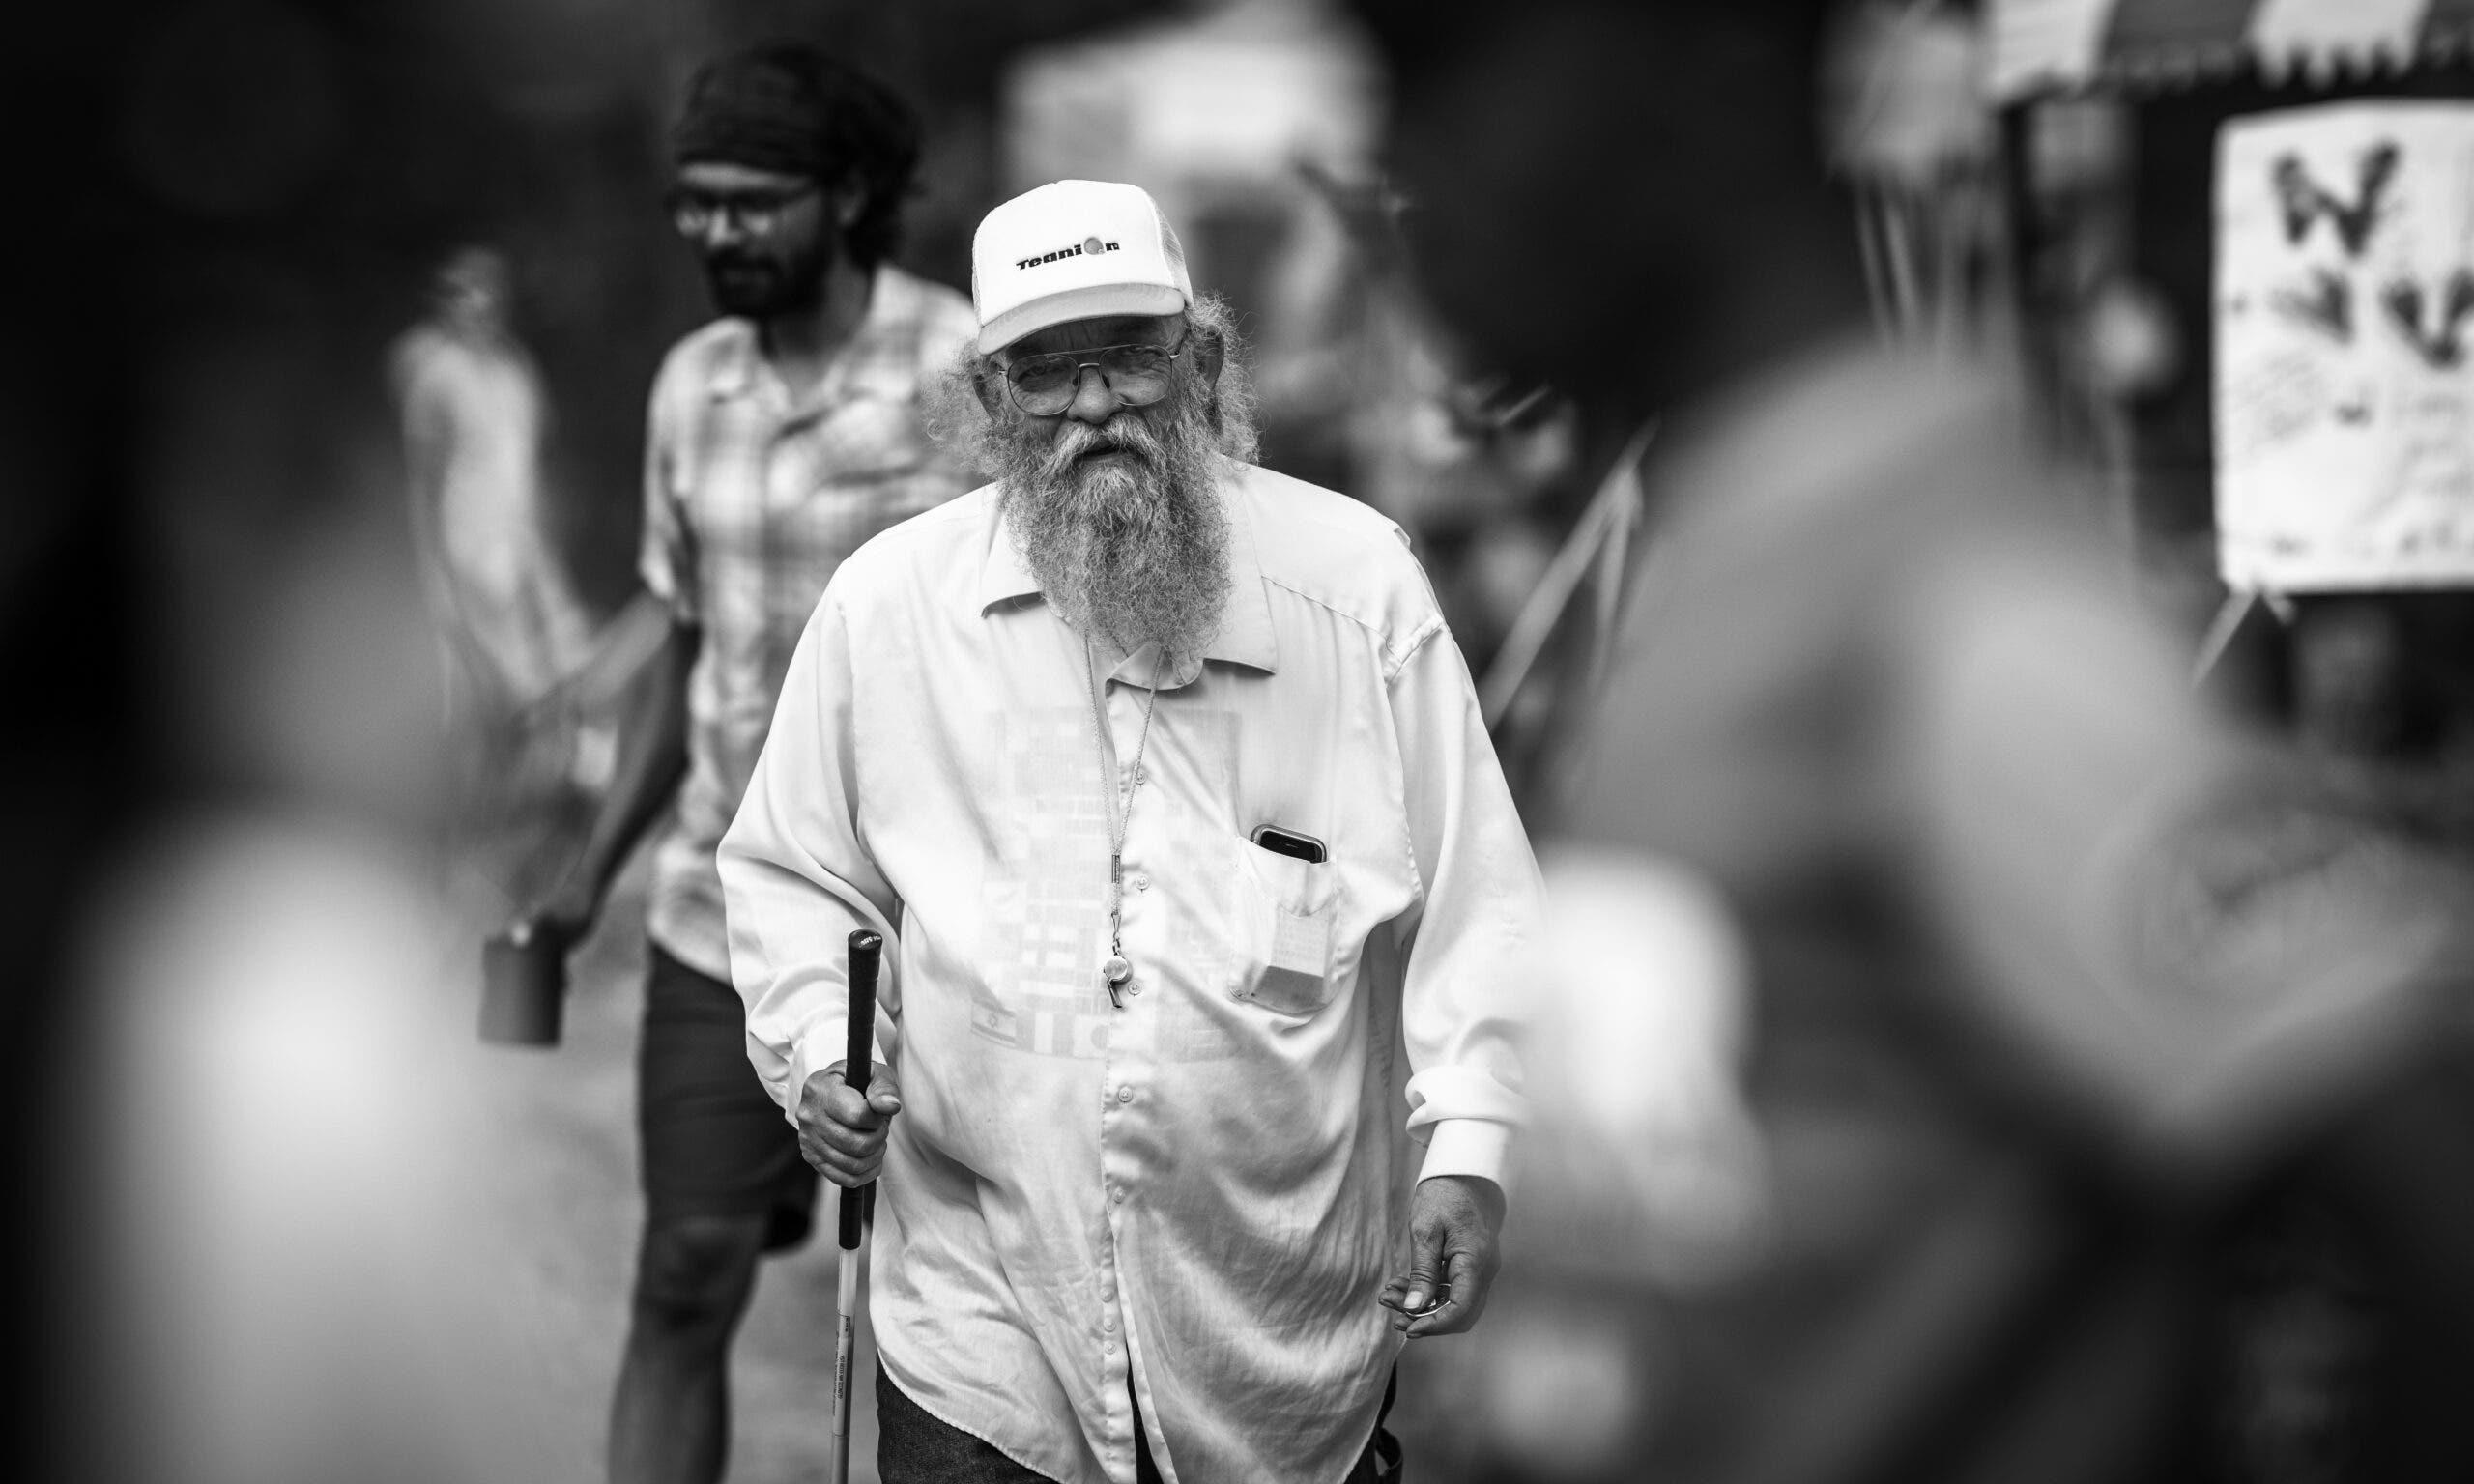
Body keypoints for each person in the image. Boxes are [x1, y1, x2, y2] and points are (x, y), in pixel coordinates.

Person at [1344, 2, 2474, 1480]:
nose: (1398, 162)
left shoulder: (1955, 603)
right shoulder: (1737, 545)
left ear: (1708, 58)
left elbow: (2420, 1164)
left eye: (1449, 64)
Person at [716, 178, 1544, 1484]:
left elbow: (1479, 902)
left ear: (1200, 364)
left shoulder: (1356, 586)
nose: (1094, 405)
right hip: (979, 1314)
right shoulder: (889, 608)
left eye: (1127, 359)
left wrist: (1471, 1153)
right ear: (991, 405)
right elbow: (793, 873)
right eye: (1047, 375)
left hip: (1276, 1327)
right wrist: (821, 1049)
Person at [506, 43, 980, 1484]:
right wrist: (583, 879)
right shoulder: (688, 386)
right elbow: (684, 637)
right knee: (682, 1276)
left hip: (932, 929)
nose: (714, 232)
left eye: (751, 202)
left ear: (844, 195)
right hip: (718, 915)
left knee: (953, 1325)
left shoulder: (964, 363)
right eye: (693, 203)